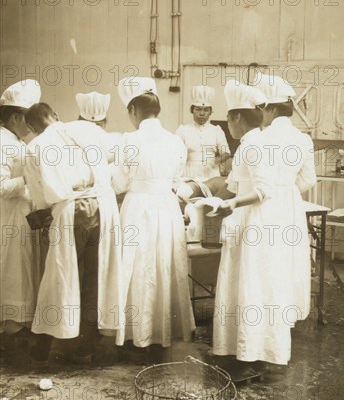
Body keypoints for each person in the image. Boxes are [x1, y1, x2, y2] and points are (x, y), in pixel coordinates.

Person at [23, 103, 124, 365]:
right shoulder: (85, 128)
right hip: (104, 206)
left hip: (70, 209)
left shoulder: (34, 146)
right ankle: (86, 345)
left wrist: (45, 221)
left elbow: (37, 196)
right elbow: (115, 154)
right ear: (55, 114)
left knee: (59, 278)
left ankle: (45, 345)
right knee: (96, 275)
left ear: (31, 128)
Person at [211, 80, 299, 366]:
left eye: (228, 119)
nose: (228, 125)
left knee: (254, 284)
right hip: (246, 221)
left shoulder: (255, 145)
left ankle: (254, 352)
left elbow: (262, 190)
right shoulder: (249, 143)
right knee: (243, 283)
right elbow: (233, 185)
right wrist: (201, 194)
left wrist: (232, 204)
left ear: (236, 117)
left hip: (257, 224)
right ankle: (241, 348)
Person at [113, 77, 195, 351]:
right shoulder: (174, 141)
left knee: (137, 266)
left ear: (133, 111)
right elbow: (177, 179)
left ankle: (138, 335)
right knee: (163, 264)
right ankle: (163, 333)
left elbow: (120, 183)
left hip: (138, 207)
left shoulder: (129, 140)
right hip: (166, 207)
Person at [254, 71, 317, 323]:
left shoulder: (259, 138)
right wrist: (287, 189)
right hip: (290, 203)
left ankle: (262, 315)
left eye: (259, 108)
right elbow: (310, 179)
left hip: (264, 202)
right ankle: (284, 315)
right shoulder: (302, 139)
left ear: (268, 109)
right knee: (287, 258)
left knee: (264, 258)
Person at [0, 80, 41, 347]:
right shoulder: (3, 142)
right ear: (16, 117)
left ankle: (16, 324)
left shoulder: (15, 140)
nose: (31, 126)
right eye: (28, 119)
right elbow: (1, 185)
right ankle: (11, 328)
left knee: (20, 268)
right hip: (8, 216)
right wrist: (29, 178)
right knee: (12, 268)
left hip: (20, 214)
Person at [176, 85, 231, 181]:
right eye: (198, 109)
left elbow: (226, 153)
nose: (202, 113)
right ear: (192, 110)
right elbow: (175, 154)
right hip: (188, 173)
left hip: (211, 174)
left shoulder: (216, 130)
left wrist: (214, 162)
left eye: (206, 110)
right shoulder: (183, 130)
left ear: (210, 112)